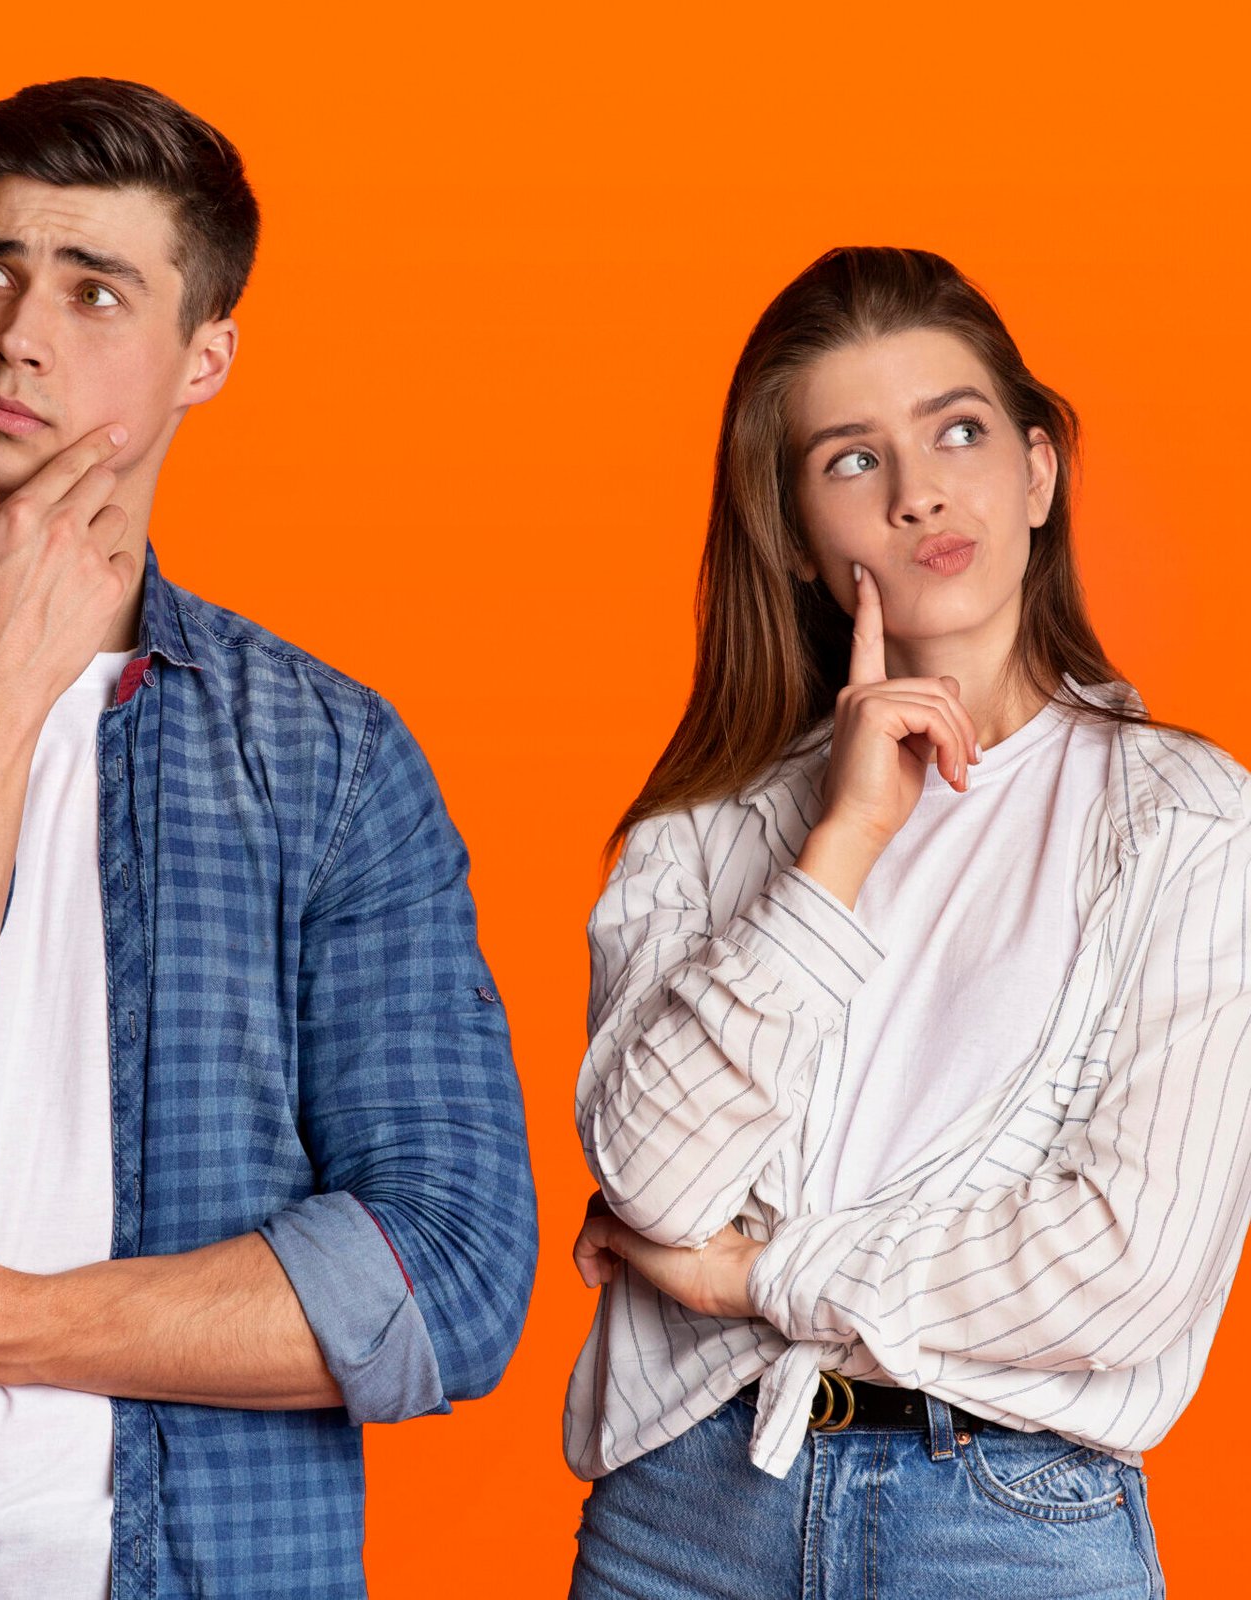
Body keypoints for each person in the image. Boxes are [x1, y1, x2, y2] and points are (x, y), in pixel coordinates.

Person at [0, 76, 536, 1600]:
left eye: (94, 288)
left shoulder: (329, 760)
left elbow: (448, 1285)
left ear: (207, 357)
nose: (18, 332)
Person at [562, 245, 1249, 1597]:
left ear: (1038, 473)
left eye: (958, 430)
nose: (921, 488)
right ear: (803, 539)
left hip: (1006, 1520)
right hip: (684, 1515)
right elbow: (649, 1177)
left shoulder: (1189, 822)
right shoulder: (706, 831)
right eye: (853, 460)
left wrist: (753, 1279)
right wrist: (843, 846)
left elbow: (1127, 1264)